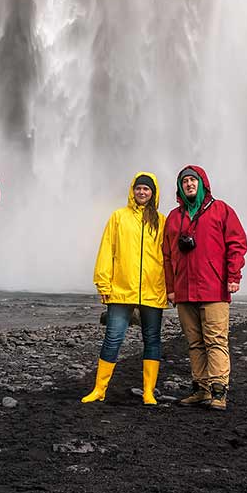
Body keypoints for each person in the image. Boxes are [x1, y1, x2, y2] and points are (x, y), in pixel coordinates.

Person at [162, 164, 247, 411]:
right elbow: (166, 255)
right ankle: (201, 389)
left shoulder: (221, 210)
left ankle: (219, 391)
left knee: (216, 340)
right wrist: (171, 287)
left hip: (213, 288)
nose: (189, 184)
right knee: (194, 342)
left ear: (203, 183)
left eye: (193, 180)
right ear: (180, 187)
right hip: (184, 289)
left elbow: (237, 244)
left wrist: (234, 276)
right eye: (184, 181)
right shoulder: (174, 217)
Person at [82, 172, 167, 405]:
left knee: (152, 339)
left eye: (146, 189)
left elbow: (168, 256)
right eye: (138, 188)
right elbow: (107, 249)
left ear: (153, 193)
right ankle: (99, 389)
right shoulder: (118, 217)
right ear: (132, 191)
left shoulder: (162, 221)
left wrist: (171, 286)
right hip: (121, 289)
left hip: (152, 289)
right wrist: (103, 281)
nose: (142, 192)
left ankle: (148, 391)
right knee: (112, 338)